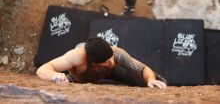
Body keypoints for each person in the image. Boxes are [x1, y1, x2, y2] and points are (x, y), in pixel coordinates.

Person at [36, 37, 167, 88]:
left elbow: (142, 68)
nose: (111, 61)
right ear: (94, 63)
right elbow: (42, 69)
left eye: (111, 57)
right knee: (69, 81)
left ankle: (157, 78)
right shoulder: (77, 57)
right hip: (79, 78)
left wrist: (150, 79)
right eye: (106, 61)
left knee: (141, 82)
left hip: (110, 73)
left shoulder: (116, 53)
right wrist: (55, 76)